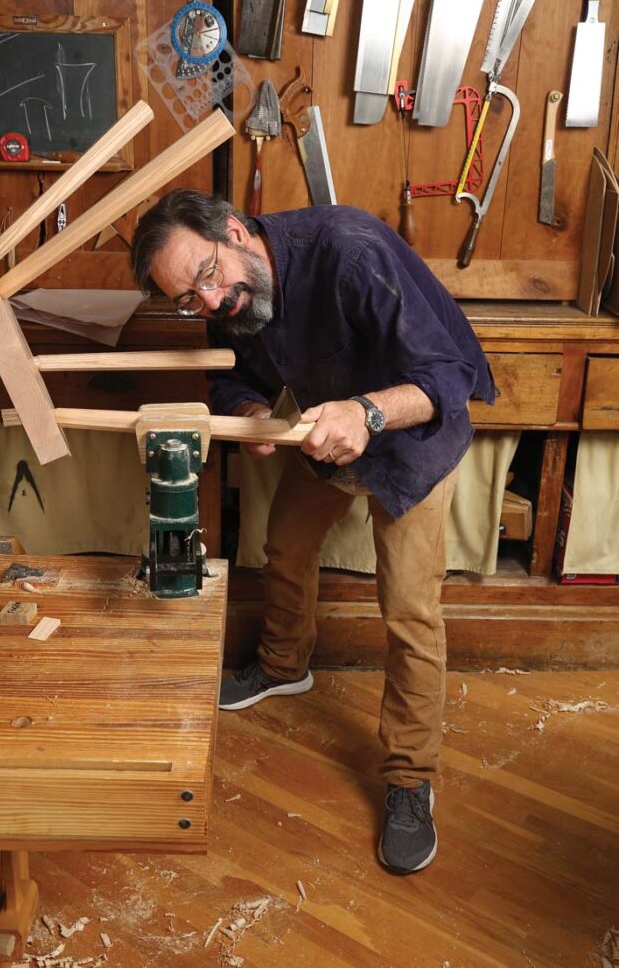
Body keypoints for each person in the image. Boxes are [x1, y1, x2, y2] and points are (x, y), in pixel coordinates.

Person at [131, 191, 495, 875]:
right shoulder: (224, 293)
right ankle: (282, 665)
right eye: (187, 299)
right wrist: (248, 412)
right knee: (286, 547)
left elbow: (449, 376)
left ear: (236, 233)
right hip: (324, 431)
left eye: (208, 277)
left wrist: (368, 414)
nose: (208, 303)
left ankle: (410, 779)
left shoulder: (350, 251)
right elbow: (234, 374)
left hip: (412, 438)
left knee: (411, 612)